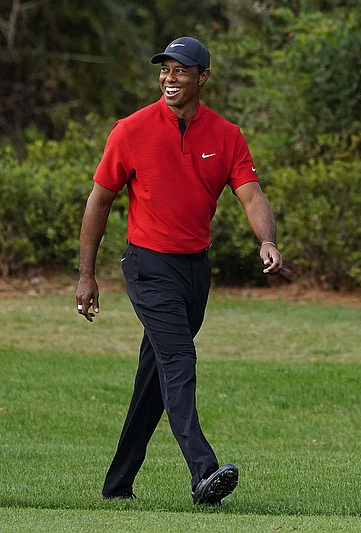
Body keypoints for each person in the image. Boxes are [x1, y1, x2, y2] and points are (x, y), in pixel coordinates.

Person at [75, 36, 282, 506]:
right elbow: (100, 201)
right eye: (164, 70)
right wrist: (87, 274)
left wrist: (267, 240)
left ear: (202, 78)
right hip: (148, 267)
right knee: (179, 361)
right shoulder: (130, 130)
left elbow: (250, 193)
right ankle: (203, 473)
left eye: (181, 70)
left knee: (155, 378)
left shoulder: (227, 135)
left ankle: (116, 486)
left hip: (195, 271)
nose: (170, 78)